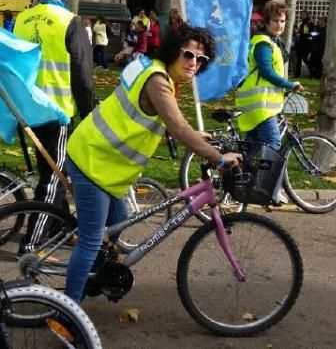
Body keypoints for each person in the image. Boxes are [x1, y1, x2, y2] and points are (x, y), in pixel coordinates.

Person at [63, 24, 242, 303]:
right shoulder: (158, 80)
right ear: (173, 51)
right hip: (92, 160)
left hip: (106, 165)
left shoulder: (155, 69)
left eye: (201, 59)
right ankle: (67, 313)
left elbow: (158, 117)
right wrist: (217, 158)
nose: (194, 63)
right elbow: (178, 128)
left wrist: (194, 136)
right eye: (188, 55)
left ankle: (92, 275)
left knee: (118, 223)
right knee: (91, 240)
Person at [13, 0, 96, 251]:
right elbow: (83, 76)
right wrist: (90, 115)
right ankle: (32, 244)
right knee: (53, 178)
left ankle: (59, 227)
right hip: (57, 112)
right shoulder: (71, 22)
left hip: (28, 109)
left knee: (53, 170)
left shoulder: (22, 20)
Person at [235, 0, 302, 176]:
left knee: (249, 149)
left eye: (282, 21)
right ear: (266, 22)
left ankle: (232, 181)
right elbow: (266, 72)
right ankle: (262, 181)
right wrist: (290, 84)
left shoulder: (268, 42)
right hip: (259, 103)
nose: (279, 25)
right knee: (273, 142)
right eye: (275, 20)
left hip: (257, 101)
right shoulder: (263, 43)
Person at [293, 11, 313, 78]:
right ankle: (297, 75)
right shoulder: (300, 23)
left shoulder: (310, 23)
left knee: (305, 59)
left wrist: (301, 35)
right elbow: (299, 32)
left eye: (304, 14)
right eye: (301, 15)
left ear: (307, 15)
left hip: (307, 44)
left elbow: (313, 34)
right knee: (298, 59)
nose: (302, 16)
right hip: (300, 44)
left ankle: (312, 72)